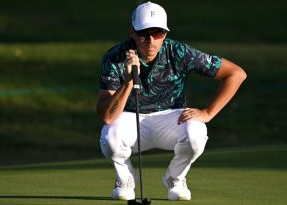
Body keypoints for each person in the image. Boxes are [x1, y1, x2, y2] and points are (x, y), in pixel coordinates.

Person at [97, 1, 246, 201]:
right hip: (130, 119)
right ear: (132, 32)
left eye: (157, 33)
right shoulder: (115, 57)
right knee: (110, 138)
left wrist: (209, 112)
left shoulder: (179, 52)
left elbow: (236, 74)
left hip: (171, 118)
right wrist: (129, 82)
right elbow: (107, 116)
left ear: (165, 34)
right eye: (144, 33)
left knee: (197, 132)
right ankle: (125, 179)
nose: (150, 40)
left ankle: (175, 178)